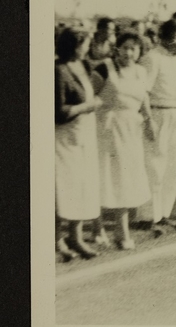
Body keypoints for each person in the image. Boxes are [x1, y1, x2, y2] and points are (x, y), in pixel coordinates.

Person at [90, 33, 153, 249]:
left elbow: (144, 98)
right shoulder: (104, 68)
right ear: (117, 49)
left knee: (126, 178)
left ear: (139, 52)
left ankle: (120, 229)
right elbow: (89, 97)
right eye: (125, 48)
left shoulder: (141, 71)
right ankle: (99, 228)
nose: (129, 53)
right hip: (106, 129)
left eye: (133, 49)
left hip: (131, 131)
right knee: (105, 176)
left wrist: (150, 121)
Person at [140, 19, 176, 235]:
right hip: (157, 116)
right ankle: (148, 216)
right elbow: (143, 92)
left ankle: (163, 214)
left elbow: (170, 90)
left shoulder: (174, 60)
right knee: (155, 166)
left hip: (174, 114)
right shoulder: (151, 58)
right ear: (174, 38)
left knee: (172, 167)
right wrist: (148, 120)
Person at [55, 27, 104, 260]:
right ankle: (57, 241)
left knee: (83, 186)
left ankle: (76, 238)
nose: (88, 47)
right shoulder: (58, 69)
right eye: (85, 43)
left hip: (85, 134)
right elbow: (59, 111)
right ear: (75, 45)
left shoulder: (84, 66)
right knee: (63, 188)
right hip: (65, 137)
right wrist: (88, 106)